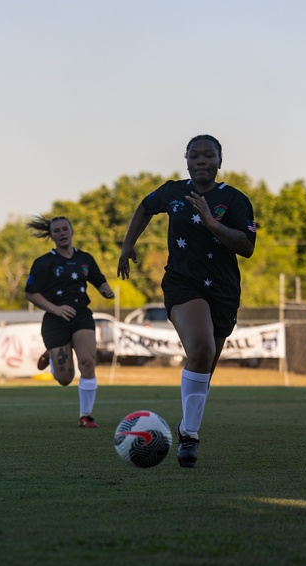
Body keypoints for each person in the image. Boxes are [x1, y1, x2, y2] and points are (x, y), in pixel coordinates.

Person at [117, 135, 257, 468]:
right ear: (187, 161)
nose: (201, 161)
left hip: (223, 291)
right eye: (195, 156)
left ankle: (186, 425)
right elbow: (145, 207)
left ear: (220, 161)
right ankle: (190, 437)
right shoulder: (173, 191)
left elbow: (247, 246)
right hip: (182, 283)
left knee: (205, 368)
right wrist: (127, 245)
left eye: (209, 155)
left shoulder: (235, 200)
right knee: (200, 351)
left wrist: (211, 223)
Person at [25, 215, 115, 428]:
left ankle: (86, 416)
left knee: (88, 361)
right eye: (56, 231)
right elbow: (30, 293)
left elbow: (98, 279)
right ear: (51, 236)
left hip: (81, 315)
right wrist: (55, 308)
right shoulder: (43, 263)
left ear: (72, 231)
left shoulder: (85, 258)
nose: (62, 233)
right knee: (65, 379)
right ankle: (52, 355)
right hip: (55, 320)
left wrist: (105, 289)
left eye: (65, 229)